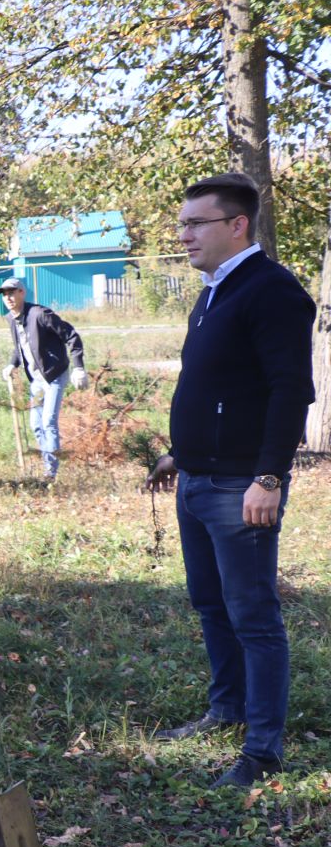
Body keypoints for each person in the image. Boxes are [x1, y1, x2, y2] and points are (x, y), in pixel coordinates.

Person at [145, 172, 315, 789]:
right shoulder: (215, 290)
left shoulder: (271, 291)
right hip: (198, 478)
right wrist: (178, 454)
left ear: (237, 225)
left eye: (196, 224)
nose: (183, 235)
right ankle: (227, 708)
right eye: (183, 223)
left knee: (255, 617)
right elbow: (218, 386)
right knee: (211, 604)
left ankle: (262, 751)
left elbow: (290, 390)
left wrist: (269, 476)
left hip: (241, 485)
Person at [0, 277, 86, 481]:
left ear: (22, 293)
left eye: (12, 292)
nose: (8, 297)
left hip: (54, 375)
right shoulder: (11, 319)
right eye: (4, 294)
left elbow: (71, 335)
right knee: (36, 424)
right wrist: (12, 363)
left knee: (48, 422)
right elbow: (21, 347)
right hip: (36, 379)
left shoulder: (40, 314)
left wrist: (78, 367)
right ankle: (48, 464)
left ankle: (50, 474)